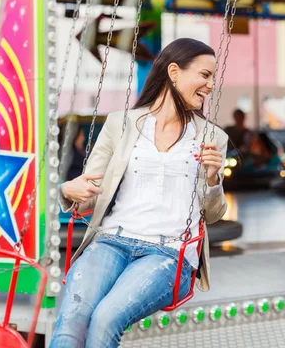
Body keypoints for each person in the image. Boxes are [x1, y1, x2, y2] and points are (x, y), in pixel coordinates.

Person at [50, 38, 229, 348]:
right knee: (72, 321)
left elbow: (212, 214)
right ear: (174, 72)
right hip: (111, 241)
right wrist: (68, 189)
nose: (210, 85)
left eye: (212, 77)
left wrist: (213, 179)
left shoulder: (212, 136)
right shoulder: (121, 125)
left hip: (168, 253)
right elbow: (91, 192)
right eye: (204, 75)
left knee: (106, 318)